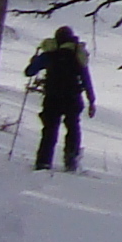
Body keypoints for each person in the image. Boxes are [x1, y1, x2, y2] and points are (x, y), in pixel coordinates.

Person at [27, 26, 92, 171]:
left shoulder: (50, 53)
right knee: (73, 128)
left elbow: (29, 72)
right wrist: (91, 100)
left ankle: (43, 162)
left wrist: (34, 61)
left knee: (49, 130)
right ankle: (71, 159)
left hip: (52, 97)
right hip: (73, 97)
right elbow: (86, 78)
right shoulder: (77, 54)